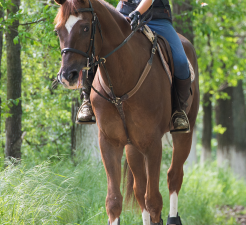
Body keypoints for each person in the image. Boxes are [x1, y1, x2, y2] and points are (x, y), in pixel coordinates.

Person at [76, 0, 191, 134]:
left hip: (157, 18)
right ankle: (87, 102)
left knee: (181, 61)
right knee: (93, 46)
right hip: (123, 14)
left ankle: (178, 111)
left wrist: (138, 12)